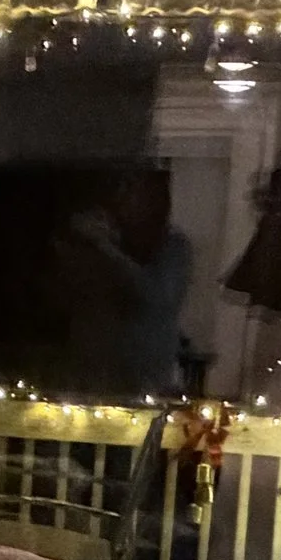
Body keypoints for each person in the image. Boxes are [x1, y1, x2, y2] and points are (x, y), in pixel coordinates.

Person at [62, 169, 191, 400]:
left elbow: (158, 297)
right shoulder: (102, 242)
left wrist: (108, 249)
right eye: (121, 196)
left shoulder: (173, 246)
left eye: (132, 195)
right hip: (93, 370)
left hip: (146, 372)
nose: (123, 204)